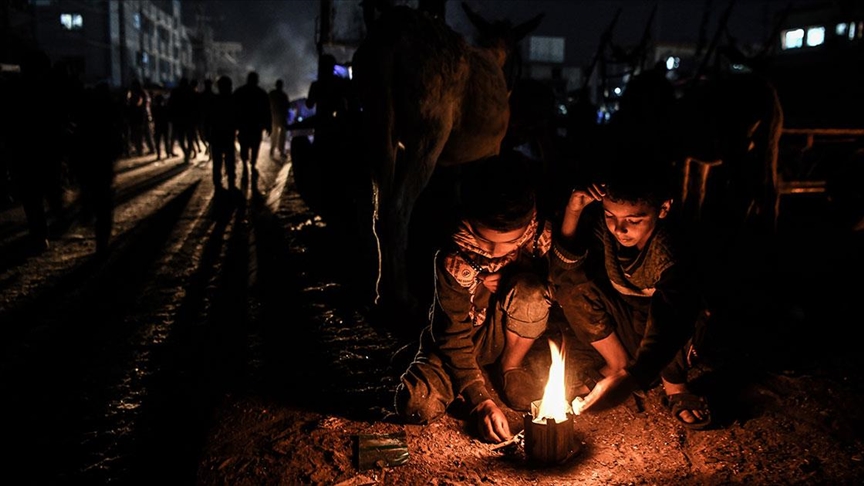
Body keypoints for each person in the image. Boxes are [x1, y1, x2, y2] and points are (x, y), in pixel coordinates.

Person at [393, 151, 554, 444]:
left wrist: (512, 278)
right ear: (468, 218)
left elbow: (556, 291)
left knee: (530, 291)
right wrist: (480, 399)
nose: (494, 252)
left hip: (506, 333)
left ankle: (511, 366)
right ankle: (465, 375)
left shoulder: (537, 237)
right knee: (416, 404)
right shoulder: (453, 258)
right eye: (485, 240)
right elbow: (450, 334)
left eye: (506, 242)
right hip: (464, 339)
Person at [552, 145, 712, 430]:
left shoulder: (671, 251)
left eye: (633, 220)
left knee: (677, 316)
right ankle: (616, 363)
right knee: (570, 287)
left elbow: (672, 318)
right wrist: (572, 211)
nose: (619, 229)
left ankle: (675, 386)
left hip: (670, 335)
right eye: (611, 216)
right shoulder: (606, 227)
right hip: (629, 322)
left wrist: (632, 377)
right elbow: (565, 271)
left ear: (663, 209)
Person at [233, 71, 270, 181]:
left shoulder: (240, 92)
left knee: (245, 146)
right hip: (255, 126)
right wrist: (268, 124)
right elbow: (267, 111)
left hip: (244, 126)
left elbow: (233, 109)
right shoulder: (261, 93)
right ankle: (251, 164)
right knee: (254, 147)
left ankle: (246, 164)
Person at [207, 76, 239, 194]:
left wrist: (207, 135)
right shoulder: (233, 100)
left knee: (217, 162)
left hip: (217, 136)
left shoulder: (214, 100)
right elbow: (238, 118)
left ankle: (218, 184)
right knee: (229, 160)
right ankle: (231, 183)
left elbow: (208, 119)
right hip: (228, 135)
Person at [268, 79, 290, 158]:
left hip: (274, 117)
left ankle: (273, 149)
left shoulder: (272, 94)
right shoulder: (283, 95)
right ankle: (280, 150)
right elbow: (287, 106)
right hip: (280, 118)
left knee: (274, 134)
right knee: (281, 135)